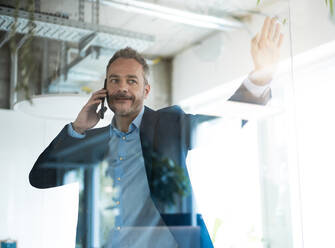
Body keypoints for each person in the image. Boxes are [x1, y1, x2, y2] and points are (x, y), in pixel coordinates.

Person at [29, 17, 283, 248]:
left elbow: (224, 120)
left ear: (146, 90)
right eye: (114, 80)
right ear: (104, 88)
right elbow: (40, 178)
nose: (122, 88)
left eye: (132, 81)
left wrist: (260, 77)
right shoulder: (92, 142)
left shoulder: (169, 126)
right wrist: (77, 129)